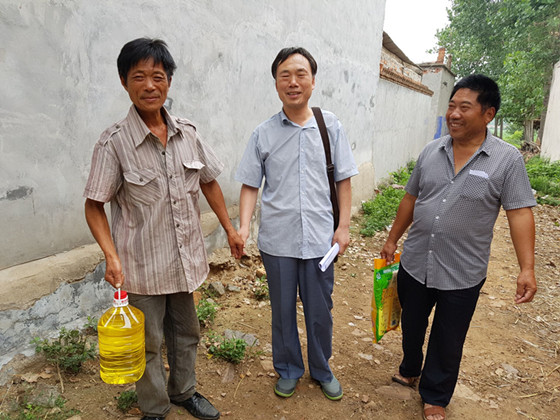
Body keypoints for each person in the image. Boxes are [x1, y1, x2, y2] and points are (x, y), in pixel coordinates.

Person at [84, 38, 243, 420]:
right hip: (141, 267)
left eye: (158, 76)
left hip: (185, 261)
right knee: (149, 342)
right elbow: (94, 205)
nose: (149, 85)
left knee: (187, 334)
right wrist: (111, 256)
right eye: (139, 76)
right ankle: (154, 408)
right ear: (124, 81)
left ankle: (184, 392)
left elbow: (209, 181)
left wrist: (230, 229)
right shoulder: (113, 143)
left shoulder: (188, 133)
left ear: (169, 81)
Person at [380, 74, 537, 420]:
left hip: (463, 271)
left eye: (464, 107)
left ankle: (435, 394)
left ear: (488, 114)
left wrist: (527, 268)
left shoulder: (506, 160)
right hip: (416, 261)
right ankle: (410, 365)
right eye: (451, 105)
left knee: (448, 338)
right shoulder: (431, 151)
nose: (453, 113)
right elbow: (411, 198)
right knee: (412, 324)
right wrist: (392, 239)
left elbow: (520, 213)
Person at [235, 47, 358, 401]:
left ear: (313, 81)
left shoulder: (330, 126)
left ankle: (321, 369)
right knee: (282, 309)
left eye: (300, 74)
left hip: (320, 239)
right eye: (284, 75)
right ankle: (288, 368)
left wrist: (343, 226)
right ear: (276, 83)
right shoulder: (263, 133)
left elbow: (344, 180)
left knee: (320, 310)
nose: (293, 82)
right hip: (278, 240)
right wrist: (244, 227)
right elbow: (250, 184)